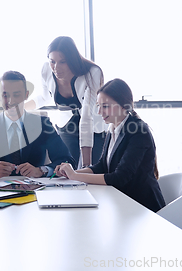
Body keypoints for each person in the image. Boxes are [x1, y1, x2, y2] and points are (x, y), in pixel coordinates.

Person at [54, 78, 165, 213]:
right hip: (121, 201)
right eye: (98, 106)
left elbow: (119, 178)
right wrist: (71, 172)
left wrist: (75, 176)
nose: (100, 112)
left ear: (123, 105)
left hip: (142, 206)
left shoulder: (137, 130)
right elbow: (102, 166)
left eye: (105, 106)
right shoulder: (113, 128)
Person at [0, 71, 76, 179]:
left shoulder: (42, 124)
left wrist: (40, 170)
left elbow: (67, 161)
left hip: (35, 192)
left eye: (16, 95)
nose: (10, 101)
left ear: (26, 95)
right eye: (5, 95)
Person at [26, 36, 107, 168]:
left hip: (93, 128)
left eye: (62, 62)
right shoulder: (46, 70)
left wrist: (86, 165)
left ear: (72, 59)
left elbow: (87, 117)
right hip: (67, 125)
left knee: (92, 170)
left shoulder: (92, 73)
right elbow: (44, 97)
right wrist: (20, 108)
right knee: (67, 168)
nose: (56, 67)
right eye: (52, 61)